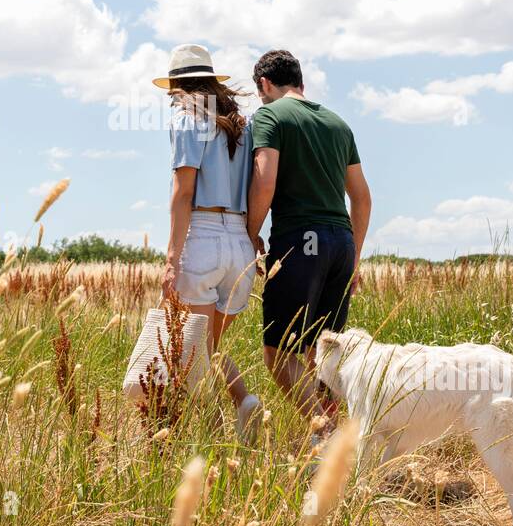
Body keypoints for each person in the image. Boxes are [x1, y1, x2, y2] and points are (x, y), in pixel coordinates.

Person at [246, 49, 372, 446]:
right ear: (301, 81)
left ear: (265, 85)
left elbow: (265, 181)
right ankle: (330, 447)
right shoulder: (338, 123)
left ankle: (328, 435)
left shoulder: (270, 115)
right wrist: (355, 257)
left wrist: (251, 233)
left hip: (301, 241)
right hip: (341, 244)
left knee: (279, 353)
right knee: (324, 355)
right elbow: (363, 198)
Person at [154, 44, 264, 442]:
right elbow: (257, 185)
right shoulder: (242, 125)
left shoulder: (187, 121)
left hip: (201, 236)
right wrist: (253, 239)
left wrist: (171, 259)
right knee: (208, 344)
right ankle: (239, 406)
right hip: (240, 242)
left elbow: (183, 193)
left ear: (179, 88)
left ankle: (220, 416)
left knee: (192, 346)